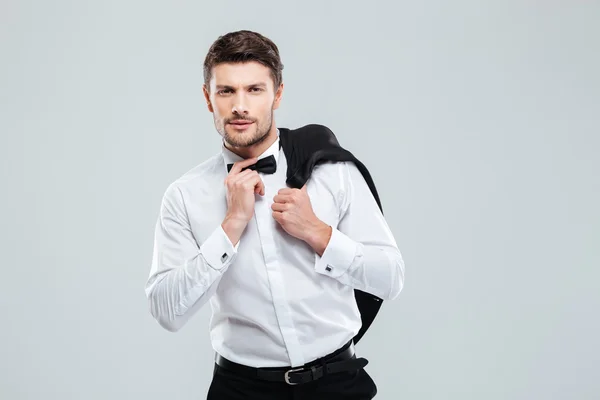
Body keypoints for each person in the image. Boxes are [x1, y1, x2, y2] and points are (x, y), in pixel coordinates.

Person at [145, 29, 405, 400]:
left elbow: (391, 278)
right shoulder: (185, 196)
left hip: (337, 384)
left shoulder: (332, 171)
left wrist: (319, 234)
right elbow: (167, 311)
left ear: (277, 94)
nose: (240, 106)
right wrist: (230, 227)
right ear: (208, 98)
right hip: (241, 389)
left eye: (254, 89)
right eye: (226, 91)